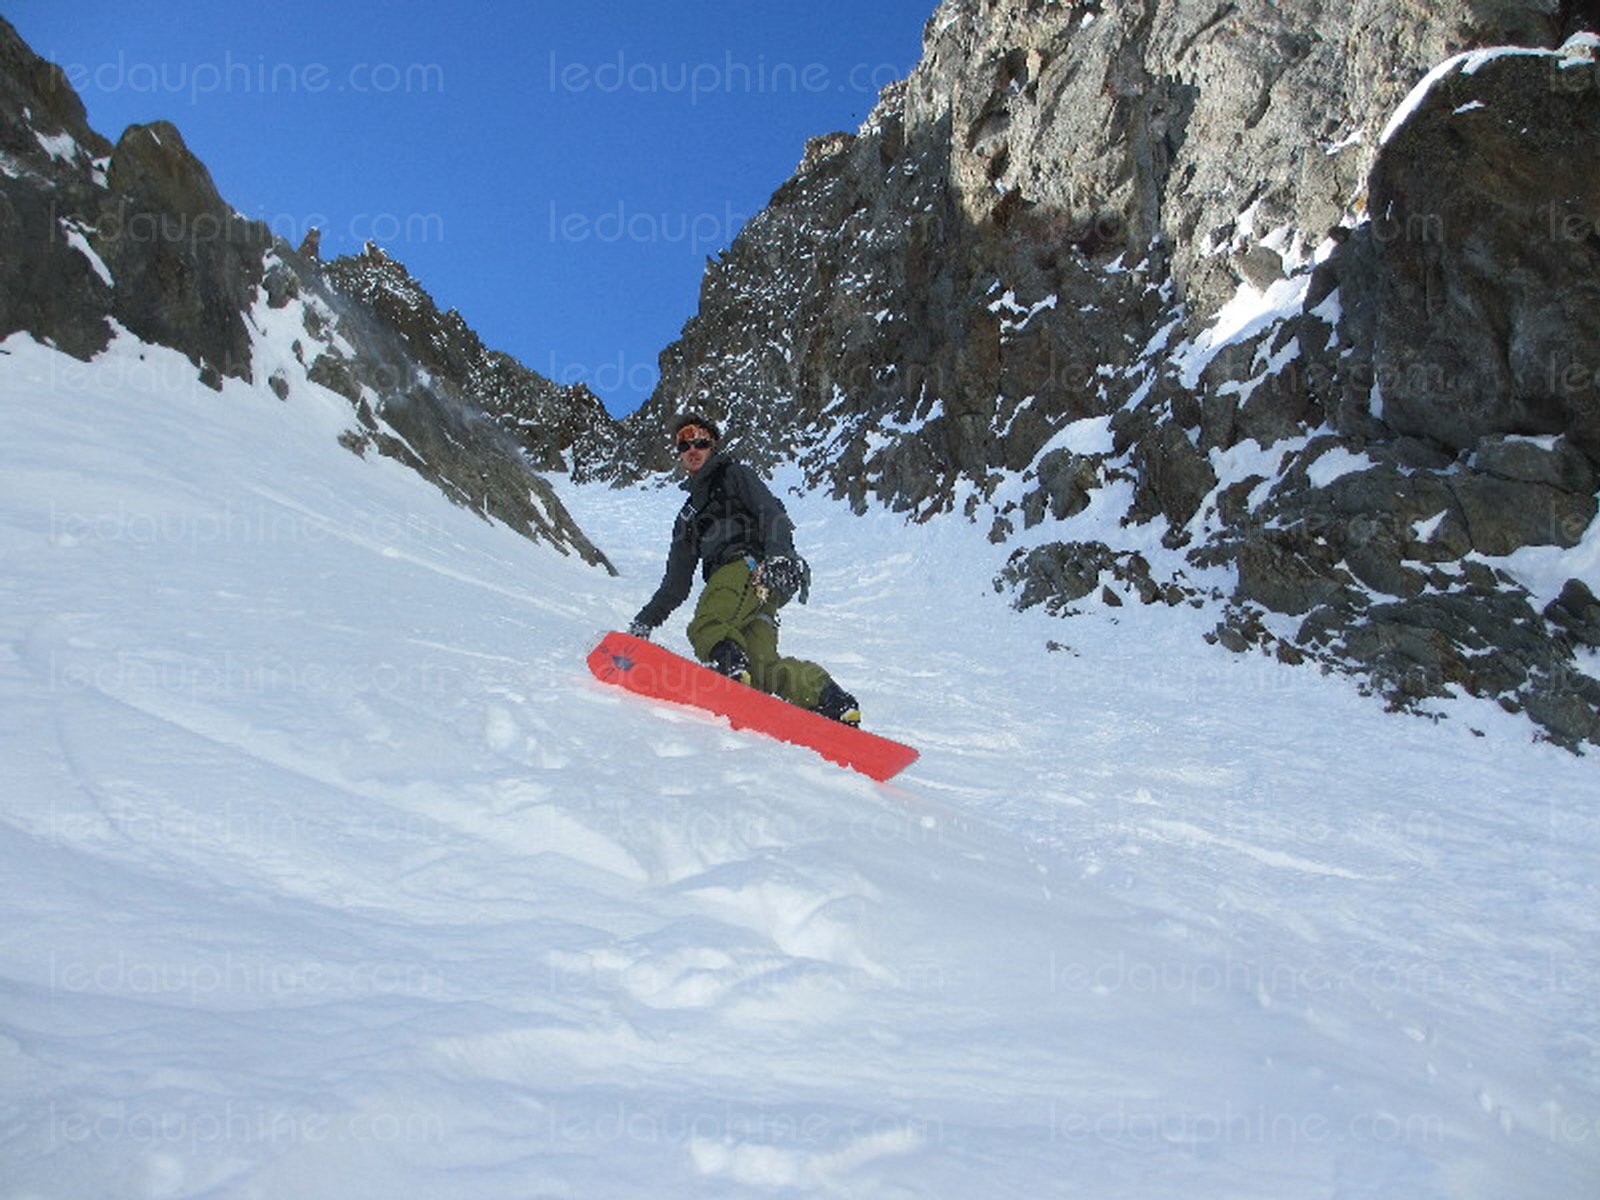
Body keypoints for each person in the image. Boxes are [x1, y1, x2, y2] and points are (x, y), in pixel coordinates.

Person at [627, 414, 861, 726]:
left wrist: (778, 555)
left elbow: (771, 512)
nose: (692, 448)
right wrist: (646, 620)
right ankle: (832, 700)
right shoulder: (688, 516)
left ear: (714, 446)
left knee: (708, 626)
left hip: (744, 567)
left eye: (701, 441)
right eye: (684, 443)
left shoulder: (734, 476)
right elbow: (676, 584)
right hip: (760, 590)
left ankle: (730, 671)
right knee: (763, 669)